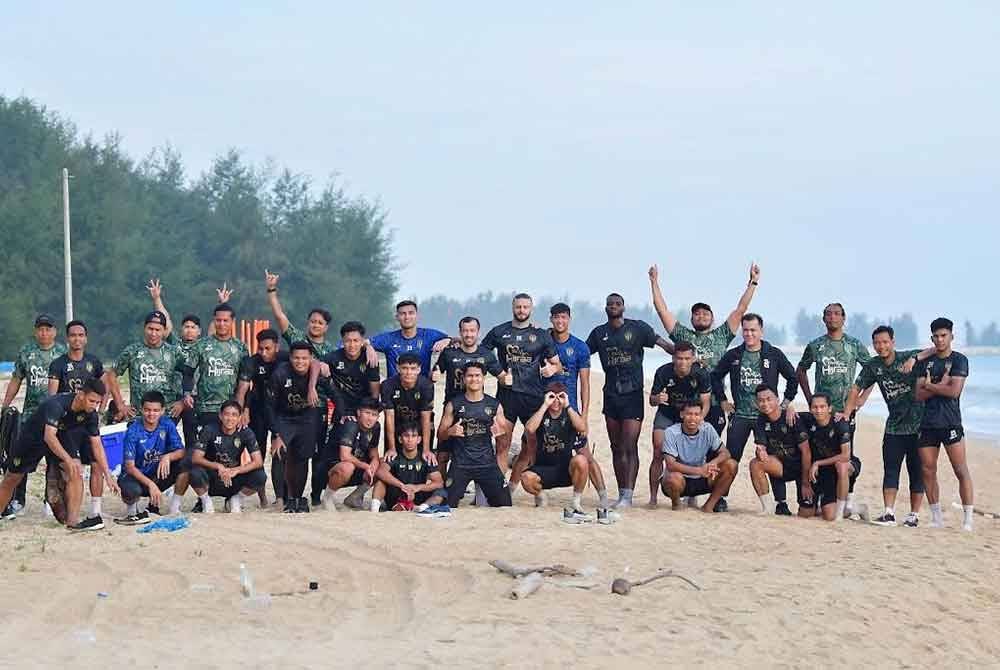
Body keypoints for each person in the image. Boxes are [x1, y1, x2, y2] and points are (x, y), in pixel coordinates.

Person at [649, 263, 760, 437]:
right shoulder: (682, 335)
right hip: (687, 404)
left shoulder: (722, 335)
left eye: (705, 313)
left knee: (709, 452)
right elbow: (662, 310)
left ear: (712, 318)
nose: (701, 316)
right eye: (697, 314)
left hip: (714, 402)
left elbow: (741, 310)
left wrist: (752, 283)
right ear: (691, 319)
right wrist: (654, 282)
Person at [585, 293, 672, 509]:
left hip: (633, 395)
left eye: (617, 303)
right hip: (610, 395)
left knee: (629, 445)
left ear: (624, 307)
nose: (614, 306)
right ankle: (622, 491)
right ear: (605, 308)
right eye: (610, 304)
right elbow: (581, 353)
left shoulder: (638, 328)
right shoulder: (599, 333)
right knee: (616, 447)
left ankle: (628, 495)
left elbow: (664, 345)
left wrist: (684, 354)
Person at [0, 378, 117, 530]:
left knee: (75, 470)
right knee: (12, 478)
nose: (94, 406)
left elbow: (97, 444)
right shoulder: (56, 404)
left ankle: (73, 522)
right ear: (81, 394)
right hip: (34, 437)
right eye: (92, 401)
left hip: (62, 435)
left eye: (97, 403)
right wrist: (67, 459)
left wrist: (107, 473)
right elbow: (49, 436)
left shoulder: (91, 415)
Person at [711, 313, 798, 513]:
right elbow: (715, 377)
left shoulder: (773, 353)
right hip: (741, 415)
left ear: (761, 331)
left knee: (772, 457)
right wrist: (723, 401)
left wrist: (784, 404)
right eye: (746, 330)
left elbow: (792, 378)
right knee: (731, 458)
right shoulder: (734, 355)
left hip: (768, 417)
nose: (749, 334)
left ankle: (780, 503)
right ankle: (721, 497)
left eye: (753, 330)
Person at [844, 325, 928, 527]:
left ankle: (913, 516)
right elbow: (857, 387)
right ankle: (889, 513)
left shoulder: (908, 356)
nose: (881, 346)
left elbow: (933, 350)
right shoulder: (874, 366)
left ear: (893, 342)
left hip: (918, 427)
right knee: (891, 470)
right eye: (877, 343)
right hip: (894, 427)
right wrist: (848, 412)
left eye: (884, 342)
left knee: (916, 471)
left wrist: (915, 359)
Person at [265, 270, 336, 506]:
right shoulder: (298, 340)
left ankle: (313, 496)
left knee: (313, 453)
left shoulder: (331, 352)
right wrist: (272, 291)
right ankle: (281, 496)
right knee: (283, 452)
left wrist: (367, 345)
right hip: (288, 405)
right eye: (312, 321)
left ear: (326, 327)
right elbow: (280, 317)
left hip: (318, 409)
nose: (315, 325)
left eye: (320, 323)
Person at [795, 303, 872, 514]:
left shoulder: (854, 345)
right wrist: (810, 398)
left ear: (844, 318)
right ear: (823, 319)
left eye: (837, 314)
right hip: (822, 412)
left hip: (846, 411)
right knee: (820, 449)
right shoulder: (816, 345)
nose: (832, 318)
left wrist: (862, 398)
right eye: (828, 314)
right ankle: (823, 497)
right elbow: (800, 370)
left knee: (845, 455)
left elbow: (873, 370)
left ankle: (847, 501)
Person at [481, 294, 562, 488]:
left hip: (533, 396)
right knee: (502, 444)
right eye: (518, 307)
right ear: (512, 308)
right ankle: (498, 490)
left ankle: (521, 485)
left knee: (533, 445)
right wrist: (499, 373)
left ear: (531, 309)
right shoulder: (499, 331)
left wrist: (552, 369)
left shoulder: (541, 335)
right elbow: (482, 353)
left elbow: (557, 364)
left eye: (526, 307)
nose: (522, 311)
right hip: (507, 397)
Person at [1, 313, 67, 513]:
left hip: (56, 416)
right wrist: (5, 405)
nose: (44, 333)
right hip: (30, 415)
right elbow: (16, 379)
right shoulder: (26, 352)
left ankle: (51, 500)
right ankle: (17, 500)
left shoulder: (62, 353)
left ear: (55, 332)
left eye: (48, 329)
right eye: (40, 329)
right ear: (35, 331)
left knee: (53, 458)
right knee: (21, 458)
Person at [914, 318, 974, 531]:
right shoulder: (924, 363)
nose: (940, 340)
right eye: (936, 336)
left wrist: (930, 385)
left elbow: (954, 392)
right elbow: (918, 395)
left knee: (960, 469)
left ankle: (968, 518)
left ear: (951, 337)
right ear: (932, 338)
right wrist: (939, 385)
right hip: (927, 424)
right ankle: (936, 518)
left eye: (944, 336)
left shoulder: (959, 360)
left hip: (950, 423)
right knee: (928, 470)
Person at [521, 383, 611, 522]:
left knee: (581, 460)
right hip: (543, 468)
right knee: (526, 479)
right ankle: (540, 495)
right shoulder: (540, 413)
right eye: (552, 397)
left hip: (565, 468)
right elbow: (529, 429)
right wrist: (545, 405)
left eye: (560, 397)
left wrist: (568, 405)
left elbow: (582, 428)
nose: (556, 401)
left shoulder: (569, 413)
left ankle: (576, 501)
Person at [317, 321, 381, 505]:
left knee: (381, 464)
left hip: (364, 411)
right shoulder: (333, 357)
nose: (352, 345)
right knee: (342, 457)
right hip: (343, 413)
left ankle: (355, 496)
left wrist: (372, 412)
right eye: (348, 341)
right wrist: (321, 365)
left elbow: (375, 391)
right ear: (342, 342)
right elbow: (313, 362)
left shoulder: (370, 358)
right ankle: (324, 495)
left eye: (356, 341)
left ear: (362, 341)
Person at [438, 362, 513, 508]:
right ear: (464, 379)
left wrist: (501, 433)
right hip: (461, 464)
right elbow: (441, 435)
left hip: (487, 464)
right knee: (446, 505)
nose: (474, 379)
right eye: (470, 376)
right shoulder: (454, 404)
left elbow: (504, 441)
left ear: (483, 378)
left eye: (477, 375)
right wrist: (450, 431)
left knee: (505, 505)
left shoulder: (494, 405)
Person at [433, 316, 502, 474]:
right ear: (460, 332)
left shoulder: (487, 354)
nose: (469, 334)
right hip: (452, 408)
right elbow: (436, 372)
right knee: (443, 454)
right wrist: (434, 375)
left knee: (479, 453)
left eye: (472, 331)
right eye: (465, 331)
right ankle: (441, 491)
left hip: (477, 409)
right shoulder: (449, 353)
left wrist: (508, 378)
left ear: (478, 332)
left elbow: (502, 376)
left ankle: (483, 490)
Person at [647, 341, 711, 506]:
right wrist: (658, 399)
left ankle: (691, 494)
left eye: (687, 358)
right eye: (679, 358)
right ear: (673, 357)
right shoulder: (663, 372)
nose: (683, 362)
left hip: (690, 416)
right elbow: (652, 400)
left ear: (693, 359)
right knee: (657, 451)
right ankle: (653, 498)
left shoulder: (701, 374)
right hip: (667, 414)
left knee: (692, 454)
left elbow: (706, 402)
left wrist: (699, 420)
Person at [268, 342, 329, 513]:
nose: (300, 361)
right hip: (284, 418)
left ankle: (298, 498)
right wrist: (276, 433)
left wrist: (341, 413)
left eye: (304, 358)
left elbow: (334, 393)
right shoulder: (280, 374)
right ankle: (280, 499)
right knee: (279, 453)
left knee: (302, 458)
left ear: (310, 359)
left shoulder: (315, 371)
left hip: (307, 418)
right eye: (296, 358)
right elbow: (269, 406)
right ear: (290, 358)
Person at [114, 391, 190, 524]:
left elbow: (182, 451)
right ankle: (132, 511)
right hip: (136, 477)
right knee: (131, 490)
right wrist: (150, 484)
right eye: (147, 410)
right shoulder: (133, 430)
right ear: (141, 410)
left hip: (157, 473)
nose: (151, 414)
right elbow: (129, 467)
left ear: (162, 411)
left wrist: (168, 457)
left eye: (156, 410)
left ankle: (173, 506)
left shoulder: (167, 424)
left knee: (186, 464)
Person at [235, 329, 288, 506]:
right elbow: (242, 389)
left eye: (268, 348)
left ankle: (281, 496)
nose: (263, 352)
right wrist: (241, 411)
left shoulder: (286, 358)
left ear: (277, 347)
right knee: (258, 452)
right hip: (257, 410)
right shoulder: (251, 362)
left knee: (279, 453)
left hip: (279, 412)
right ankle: (262, 497)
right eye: (260, 349)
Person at [106, 310, 186, 423]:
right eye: (150, 329)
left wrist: (182, 402)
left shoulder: (174, 352)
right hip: (139, 417)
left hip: (167, 416)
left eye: (157, 330)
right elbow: (111, 374)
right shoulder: (132, 351)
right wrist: (120, 405)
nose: (153, 333)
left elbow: (192, 373)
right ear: (144, 328)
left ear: (164, 331)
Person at [180, 303, 248, 433]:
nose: (221, 324)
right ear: (214, 321)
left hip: (230, 410)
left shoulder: (241, 348)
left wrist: (243, 409)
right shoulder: (201, 345)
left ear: (232, 322)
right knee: (203, 449)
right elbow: (188, 372)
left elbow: (244, 382)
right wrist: (187, 393)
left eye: (225, 321)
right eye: (218, 320)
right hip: (205, 408)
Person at [189, 400, 266, 514]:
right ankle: (205, 501)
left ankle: (236, 499)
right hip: (213, 477)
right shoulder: (209, 429)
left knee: (260, 475)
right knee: (194, 472)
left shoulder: (246, 432)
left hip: (233, 478)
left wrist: (236, 470)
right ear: (220, 416)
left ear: (240, 417)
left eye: (234, 415)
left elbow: (258, 461)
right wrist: (217, 466)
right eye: (226, 414)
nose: (230, 418)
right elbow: (196, 457)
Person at [660, 401, 738, 513]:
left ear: (701, 416)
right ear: (682, 414)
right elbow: (670, 465)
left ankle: (709, 506)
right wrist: (699, 471)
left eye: (697, 414)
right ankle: (676, 504)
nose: (693, 418)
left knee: (732, 465)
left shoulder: (707, 429)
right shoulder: (671, 432)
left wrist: (713, 463)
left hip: (702, 478)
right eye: (689, 414)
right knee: (673, 478)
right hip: (681, 479)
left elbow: (725, 453)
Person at [748, 385, 812, 516]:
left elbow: (806, 452)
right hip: (781, 466)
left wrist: (806, 483)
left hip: (802, 468)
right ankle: (768, 507)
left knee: (807, 513)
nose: (765, 403)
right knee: (755, 463)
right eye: (761, 400)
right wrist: (761, 451)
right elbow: (761, 445)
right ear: (756, 403)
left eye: (768, 399)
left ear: (777, 399)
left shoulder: (792, 418)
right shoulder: (760, 420)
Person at [802, 393, 860, 522]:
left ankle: (841, 513)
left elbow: (845, 455)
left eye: (822, 407)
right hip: (824, 471)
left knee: (841, 465)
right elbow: (783, 413)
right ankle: (850, 508)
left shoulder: (840, 423)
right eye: (815, 407)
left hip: (846, 465)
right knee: (810, 514)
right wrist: (789, 408)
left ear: (830, 408)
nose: (818, 410)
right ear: (810, 409)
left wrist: (818, 463)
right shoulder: (808, 419)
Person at [323, 397, 383, 512]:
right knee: (347, 466)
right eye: (367, 413)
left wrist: (374, 463)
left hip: (356, 467)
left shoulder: (376, 427)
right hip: (333, 468)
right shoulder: (351, 424)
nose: (370, 418)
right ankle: (327, 497)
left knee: (382, 465)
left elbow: (374, 452)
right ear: (359, 412)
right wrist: (366, 466)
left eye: (374, 415)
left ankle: (354, 498)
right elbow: (344, 456)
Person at [370, 422, 445, 513]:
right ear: (400, 439)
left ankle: (423, 507)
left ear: (419, 439)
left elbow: (439, 482)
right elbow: (381, 472)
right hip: (397, 493)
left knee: (441, 491)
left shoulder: (426, 457)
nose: (410, 439)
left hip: (417, 494)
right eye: (406, 436)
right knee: (380, 481)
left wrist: (418, 487)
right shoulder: (394, 455)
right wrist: (402, 486)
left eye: (413, 436)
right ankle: (374, 509)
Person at [365, 300, 451, 378]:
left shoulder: (429, 335)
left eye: (411, 313)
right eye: (403, 314)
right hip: (395, 390)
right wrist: (368, 346)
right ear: (397, 317)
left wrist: (448, 340)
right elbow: (363, 342)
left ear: (417, 316)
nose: (407, 317)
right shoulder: (389, 338)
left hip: (422, 389)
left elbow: (457, 340)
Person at [380, 353, 435, 464]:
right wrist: (391, 448)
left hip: (418, 425)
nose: (409, 373)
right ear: (398, 368)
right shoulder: (387, 385)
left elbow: (426, 418)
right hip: (397, 424)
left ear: (419, 369)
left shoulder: (426, 386)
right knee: (392, 459)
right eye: (404, 368)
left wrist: (426, 449)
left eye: (413, 368)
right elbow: (389, 417)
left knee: (422, 458)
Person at [546, 303, 591, 416]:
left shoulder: (580, 347)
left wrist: (584, 415)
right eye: (556, 317)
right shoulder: (543, 342)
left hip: (570, 406)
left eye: (563, 317)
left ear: (569, 319)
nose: (560, 321)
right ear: (551, 319)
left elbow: (584, 384)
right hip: (546, 405)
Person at [47, 320, 105, 395]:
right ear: (67, 339)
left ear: (86, 338)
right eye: (73, 335)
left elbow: (106, 387)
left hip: (88, 406)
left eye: (81, 335)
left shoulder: (94, 362)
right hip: (64, 406)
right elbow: (52, 398)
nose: (77, 339)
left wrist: (102, 407)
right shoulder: (57, 364)